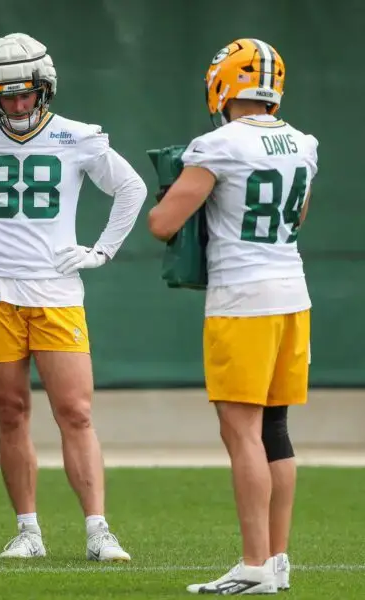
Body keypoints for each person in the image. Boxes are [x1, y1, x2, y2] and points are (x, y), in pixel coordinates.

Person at [0, 32, 145, 561]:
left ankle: (99, 530)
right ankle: (29, 530)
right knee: (10, 411)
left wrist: (102, 252)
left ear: (45, 88)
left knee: (76, 411)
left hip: (57, 290)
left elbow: (132, 188)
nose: (17, 104)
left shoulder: (78, 137)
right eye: (7, 95)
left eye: (26, 93)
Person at [148, 38, 318, 594]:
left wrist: (173, 185)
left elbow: (163, 222)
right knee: (275, 430)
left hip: (242, 299)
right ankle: (277, 560)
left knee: (241, 431)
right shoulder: (304, 143)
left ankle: (252, 565)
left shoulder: (218, 144)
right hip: (293, 294)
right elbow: (299, 216)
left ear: (224, 84)